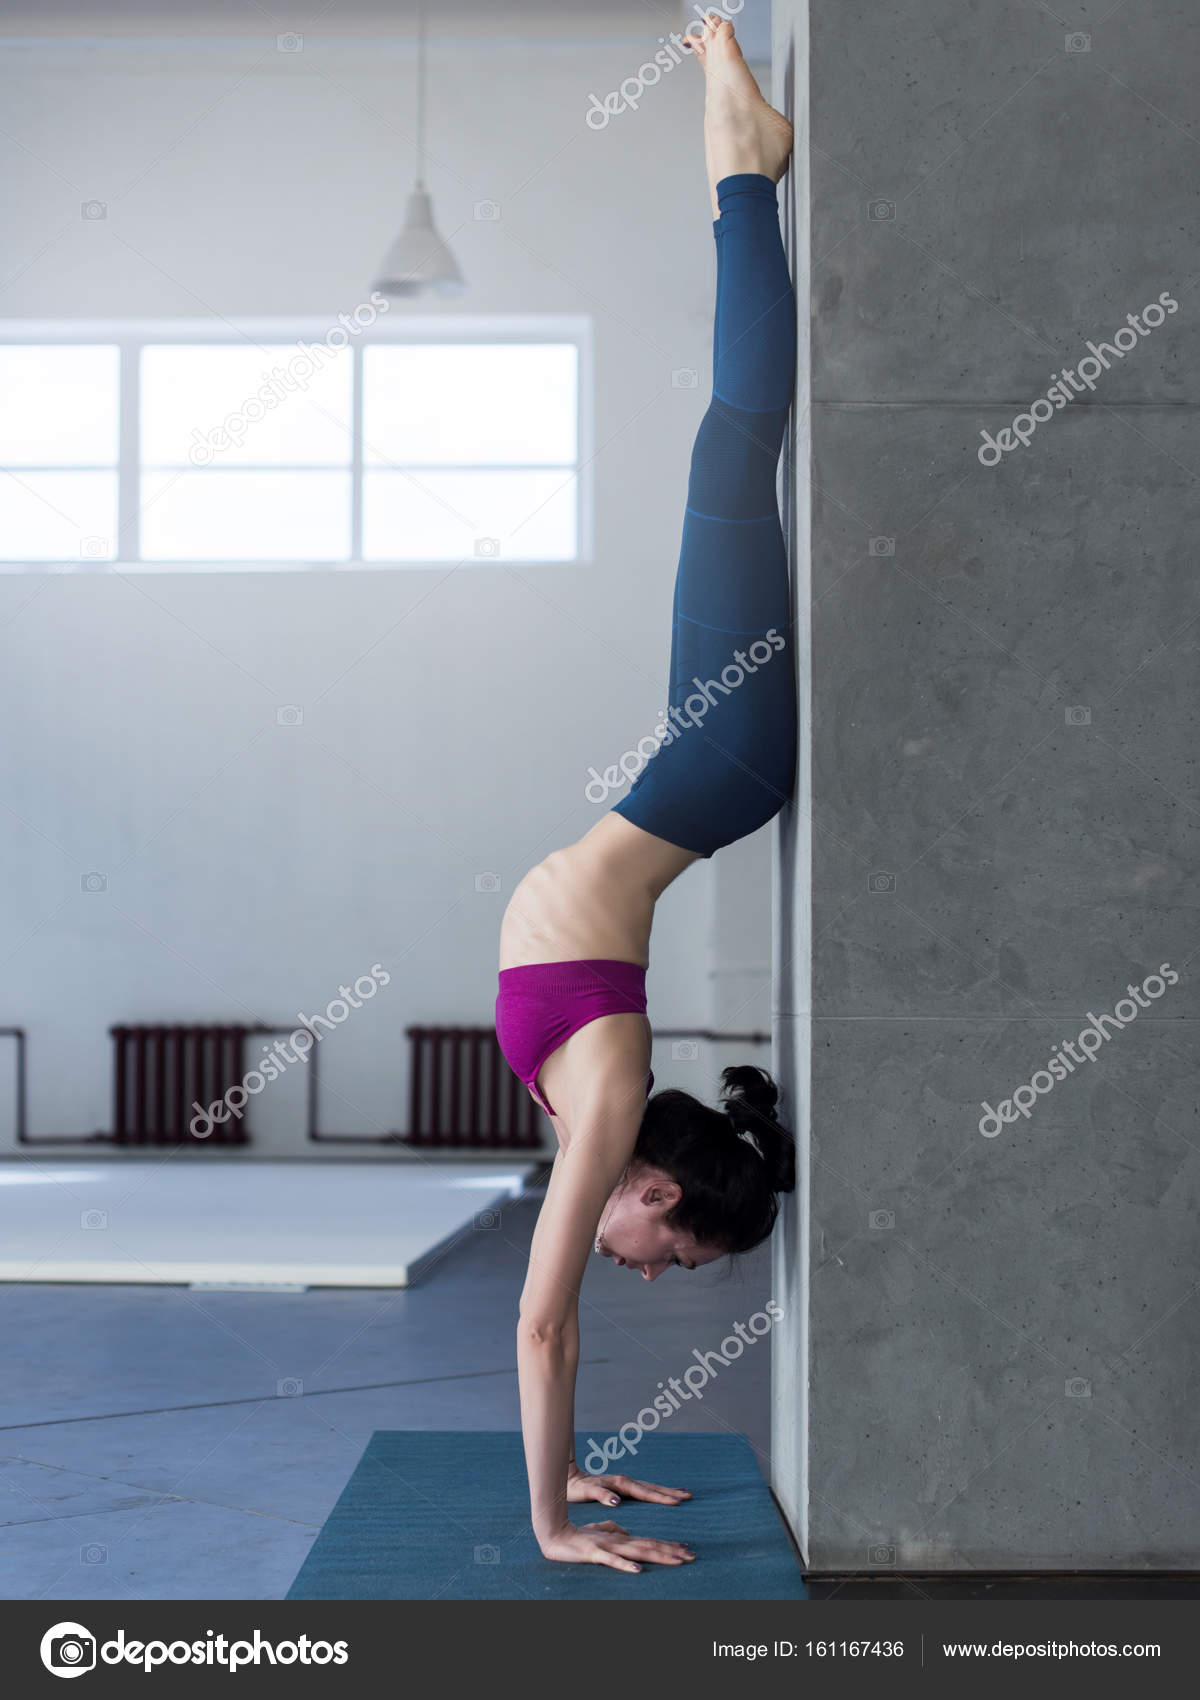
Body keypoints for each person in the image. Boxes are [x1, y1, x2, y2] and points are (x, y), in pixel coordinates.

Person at [495, 12, 796, 1574]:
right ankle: (745, 169)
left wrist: (560, 1508)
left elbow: (546, 1320)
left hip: (706, 761)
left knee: (727, 450)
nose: (652, 1276)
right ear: (660, 1185)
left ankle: (742, 162)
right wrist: (553, 1515)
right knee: (732, 445)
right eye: (676, 1257)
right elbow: (548, 1324)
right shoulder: (607, 1110)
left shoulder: (599, 1126)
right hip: (724, 759)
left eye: (667, 1272)